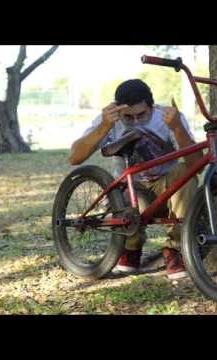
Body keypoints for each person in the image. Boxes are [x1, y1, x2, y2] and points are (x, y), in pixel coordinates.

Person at [69, 79, 202, 280]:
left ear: (152, 106)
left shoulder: (167, 117)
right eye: (128, 118)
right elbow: (75, 157)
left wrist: (176, 128)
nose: (136, 121)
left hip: (166, 186)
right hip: (132, 188)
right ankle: (130, 248)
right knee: (122, 190)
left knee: (185, 172)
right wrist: (105, 126)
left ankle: (175, 250)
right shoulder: (109, 120)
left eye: (142, 115)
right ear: (117, 110)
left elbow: (196, 164)